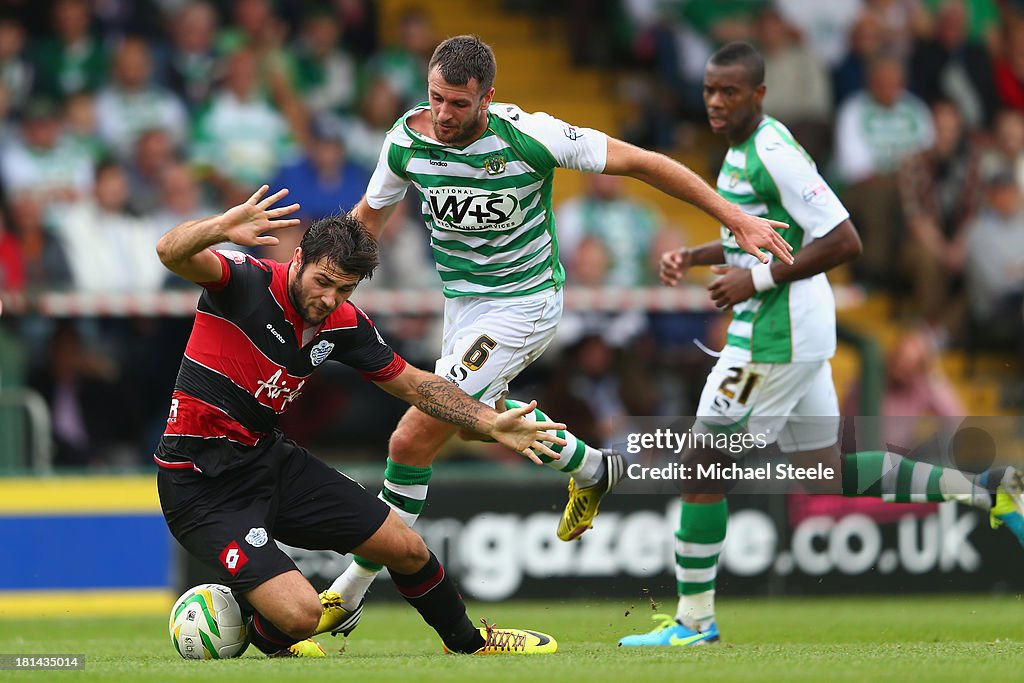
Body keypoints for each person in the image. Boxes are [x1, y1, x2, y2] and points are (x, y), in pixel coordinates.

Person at [324, 34, 794, 636]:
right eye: (436, 98)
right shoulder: (407, 140)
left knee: (412, 437)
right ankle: (594, 468)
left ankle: (347, 593)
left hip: (524, 304)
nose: (443, 115)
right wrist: (332, 286)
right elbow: (367, 221)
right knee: (472, 417)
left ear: (488, 98)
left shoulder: (533, 136)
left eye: (459, 104)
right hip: (462, 308)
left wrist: (734, 216)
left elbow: (645, 163)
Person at [618, 41, 1024, 648]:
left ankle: (694, 621)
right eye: (709, 90)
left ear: (759, 94)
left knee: (701, 465)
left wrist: (751, 279)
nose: (716, 102)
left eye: (730, 91)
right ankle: (992, 490)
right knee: (829, 471)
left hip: (776, 335)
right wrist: (701, 256)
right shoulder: (739, 151)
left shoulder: (773, 152)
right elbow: (768, 234)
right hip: (793, 328)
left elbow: (843, 240)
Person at [154, 185, 564, 657]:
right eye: (322, 281)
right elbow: (169, 251)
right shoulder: (245, 281)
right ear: (300, 257)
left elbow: (413, 384)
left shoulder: (344, 323)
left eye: (344, 288)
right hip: (199, 484)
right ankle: (266, 630)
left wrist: (491, 422)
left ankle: (470, 644)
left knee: (406, 547)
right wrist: (220, 227)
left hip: (268, 460)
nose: (329, 298)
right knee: (303, 615)